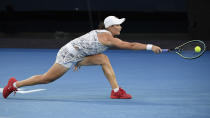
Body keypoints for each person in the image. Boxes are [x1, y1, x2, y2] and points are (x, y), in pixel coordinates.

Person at [3, 16, 162, 99]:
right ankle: (14, 84)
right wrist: (150, 47)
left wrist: (82, 60)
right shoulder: (108, 37)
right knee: (47, 79)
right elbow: (131, 45)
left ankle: (116, 91)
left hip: (79, 54)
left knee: (104, 59)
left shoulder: (104, 35)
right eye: (118, 24)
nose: (120, 26)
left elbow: (90, 46)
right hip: (68, 54)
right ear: (110, 27)